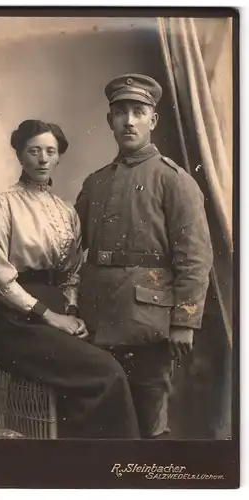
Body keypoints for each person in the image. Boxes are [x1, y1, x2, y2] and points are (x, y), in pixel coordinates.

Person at [0, 119, 139, 439]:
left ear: (58, 157)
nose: (42, 159)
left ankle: (87, 466)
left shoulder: (66, 211)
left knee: (117, 362)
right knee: (107, 373)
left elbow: (71, 272)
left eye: (50, 151)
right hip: (17, 324)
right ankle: (116, 462)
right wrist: (50, 316)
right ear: (20, 155)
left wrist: (70, 312)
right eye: (34, 150)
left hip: (57, 318)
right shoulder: (1, 204)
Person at [75, 74, 214, 439]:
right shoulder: (96, 183)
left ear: (153, 120)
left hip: (148, 321)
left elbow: (195, 258)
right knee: (106, 424)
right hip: (98, 318)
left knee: (149, 420)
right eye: (121, 112)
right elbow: (74, 248)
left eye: (138, 112)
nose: (129, 121)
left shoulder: (176, 181)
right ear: (110, 121)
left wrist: (184, 322)